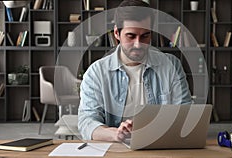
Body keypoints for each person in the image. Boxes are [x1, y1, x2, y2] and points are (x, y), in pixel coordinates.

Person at [78, 0, 192, 142]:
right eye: (131, 36)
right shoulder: (96, 72)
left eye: (145, 36)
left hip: (160, 146)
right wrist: (116, 134)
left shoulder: (171, 65)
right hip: (115, 148)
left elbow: (185, 115)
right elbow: (87, 123)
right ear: (117, 33)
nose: (138, 44)